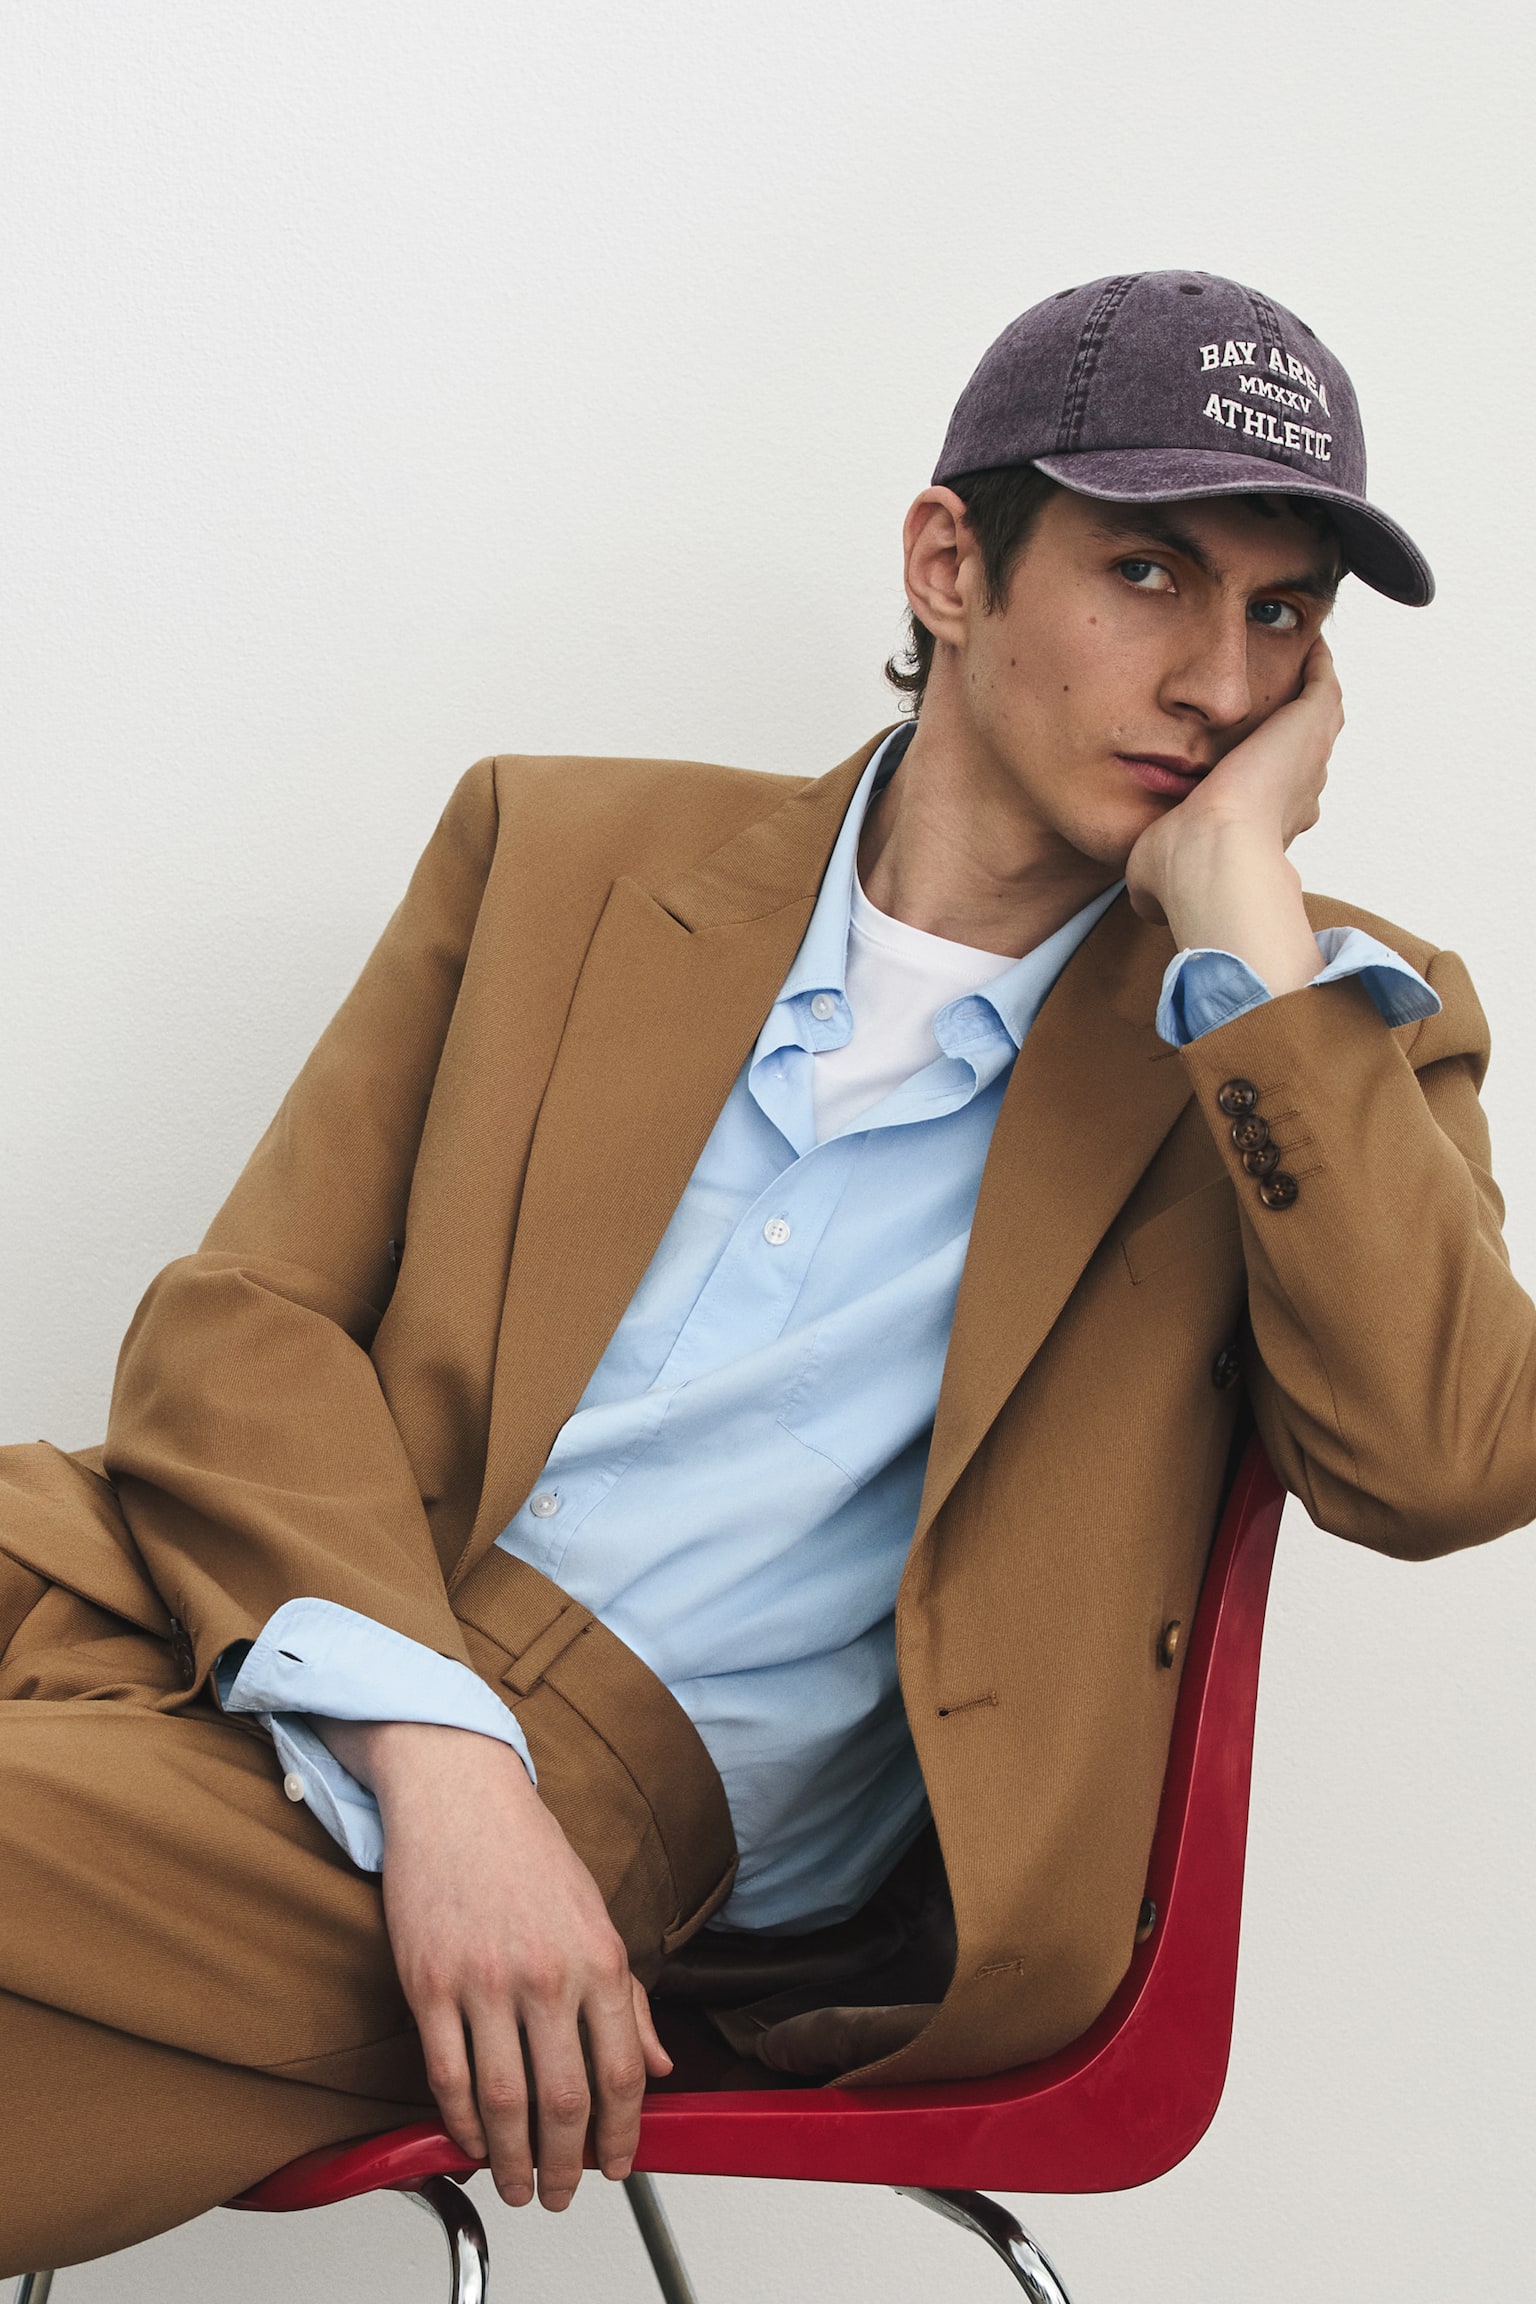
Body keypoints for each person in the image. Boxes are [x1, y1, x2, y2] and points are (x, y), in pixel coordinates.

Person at [4, 267, 1534, 2275]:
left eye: (1281, 616)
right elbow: (246, 1319)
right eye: (1150, 574)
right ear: (948, 566)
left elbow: (1442, 1461)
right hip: (235, 1598)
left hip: (617, 1793)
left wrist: (1240, 922)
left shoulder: (1314, 1030)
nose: (1219, 685)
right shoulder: (559, 850)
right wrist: (438, 1756)